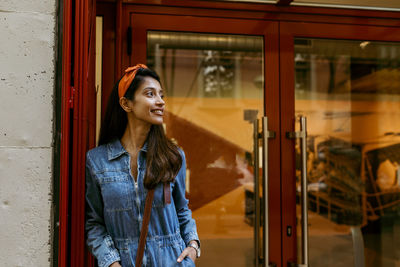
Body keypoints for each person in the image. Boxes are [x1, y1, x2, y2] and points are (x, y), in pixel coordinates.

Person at [85, 64, 200, 267]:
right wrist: (111, 263)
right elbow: (94, 222)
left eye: (161, 95)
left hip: (173, 262)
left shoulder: (173, 156)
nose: (160, 102)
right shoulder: (98, 160)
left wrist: (192, 246)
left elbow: (182, 209)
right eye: (150, 94)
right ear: (126, 103)